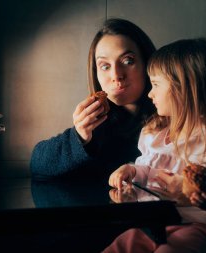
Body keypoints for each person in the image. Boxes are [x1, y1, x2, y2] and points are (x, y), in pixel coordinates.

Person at [104, 38, 206, 253]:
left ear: (184, 89)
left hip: (197, 227)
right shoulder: (154, 134)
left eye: (156, 84)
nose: (150, 94)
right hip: (149, 224)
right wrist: (131, 170)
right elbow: (149, 169)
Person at [30, 18, 156, 181]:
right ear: (96, 73)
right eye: (105, 66)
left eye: (127, 61)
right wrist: (79, 137)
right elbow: (37, 164)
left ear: (147, 62)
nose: (116, 75)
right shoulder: (97, 125)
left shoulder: (175, 120)